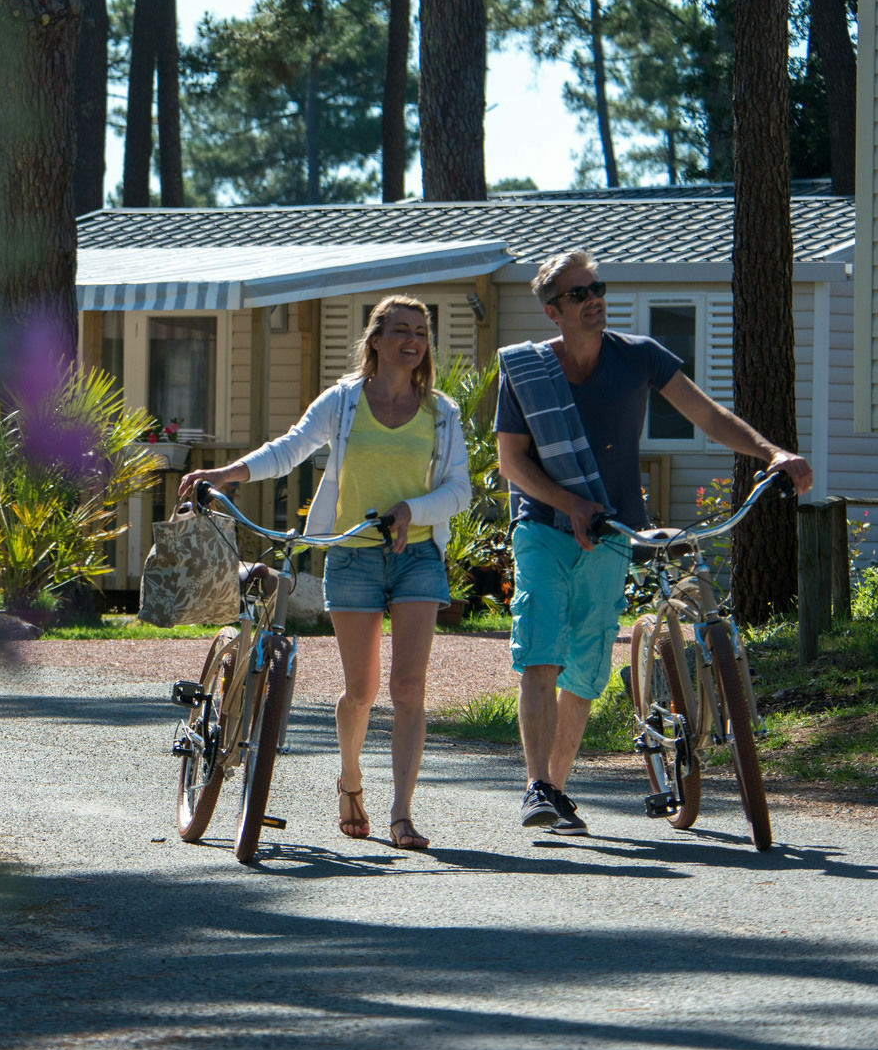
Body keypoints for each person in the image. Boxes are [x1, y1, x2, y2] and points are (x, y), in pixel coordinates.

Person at [495, 250, 814, 836]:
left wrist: (772, 452)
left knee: (586, 668)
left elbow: (709, 415)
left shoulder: (638, 356)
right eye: (577, 293)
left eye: (597, 287)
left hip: (614, 529)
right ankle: (537, 787)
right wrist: (570, 504)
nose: (593, 298)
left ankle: (555, 790)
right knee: (541, 650)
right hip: (543, 525)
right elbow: (511, 462)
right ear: (551, 311)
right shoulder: (527, 372)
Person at [179, 295, 471, 851]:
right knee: (361, 690)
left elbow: (459, 490)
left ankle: (402, 813)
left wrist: (413, 511)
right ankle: (351, 780)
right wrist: (228, 472)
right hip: (352, 555)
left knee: (408, 686)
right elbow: (289, 449)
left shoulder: (442, 413)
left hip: (417, 558)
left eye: (422, 332)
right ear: (376, 340)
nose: (413, 340)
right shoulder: (343, 403)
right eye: (401, 330)